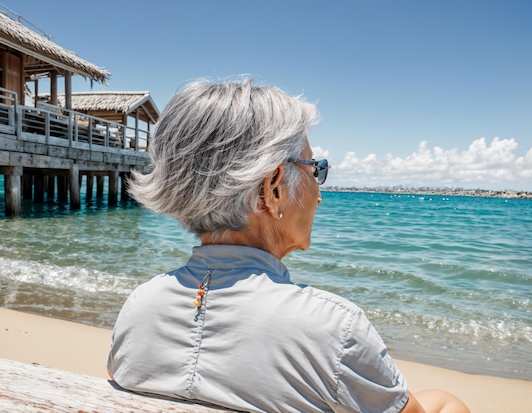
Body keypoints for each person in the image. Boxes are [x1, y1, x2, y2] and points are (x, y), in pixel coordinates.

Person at [106, 78, 470, 413]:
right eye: (316, 170)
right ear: (273, 189)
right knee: (445, 404)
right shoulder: (334, 329)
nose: (319, 196)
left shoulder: (139, 308)